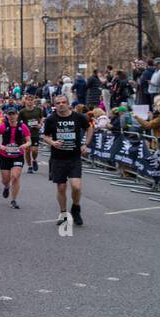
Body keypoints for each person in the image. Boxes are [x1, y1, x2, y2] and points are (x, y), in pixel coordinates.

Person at [44, 94, 93, 227]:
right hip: (57, 158)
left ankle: (76, 208)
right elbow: (46, 136)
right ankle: (63, 213)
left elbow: (89, 128)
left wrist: (85, 144)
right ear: (55, 105)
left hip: (74, 157)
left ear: (68, 103)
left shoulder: (78, 117)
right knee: (61, 187)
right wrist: (52, 142)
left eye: (63, 102)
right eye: (58, 103)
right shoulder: (51, 119)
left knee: (76, 186)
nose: (61, 104)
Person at [0, 103, 31, 209]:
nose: (11, 116)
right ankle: (6, 187)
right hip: (4, 156)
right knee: (5, 180)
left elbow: (29, 141)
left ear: (17, 115)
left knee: (15, 177)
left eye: (13, 114)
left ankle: (14, 200)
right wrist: (0, 146)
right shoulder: (3, 126)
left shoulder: (23, 126)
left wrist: (24, 145)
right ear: (7, 115)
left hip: (17, 155)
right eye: (9, 114)